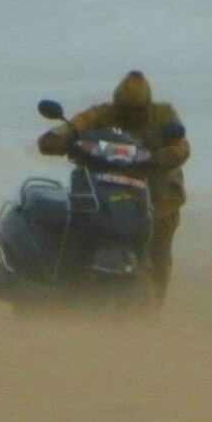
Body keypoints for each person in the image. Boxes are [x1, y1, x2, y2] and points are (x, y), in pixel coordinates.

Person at [37, 71, 189, 304]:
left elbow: (180, 146)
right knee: (78, 221)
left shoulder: (164, 114)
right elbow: (78, 124)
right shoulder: (104, 113)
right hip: (109, 187)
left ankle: (154, 307)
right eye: (124, 110)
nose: (129, 115)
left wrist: (163, 157)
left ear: (147, 106)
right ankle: (67, 284)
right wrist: (56, 137)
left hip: (157, 194)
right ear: (116, 104)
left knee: (158, 252)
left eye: (136, 111)